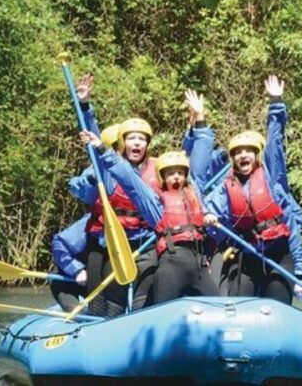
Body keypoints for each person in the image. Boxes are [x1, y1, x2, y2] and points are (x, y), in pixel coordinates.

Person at [82, 126, 220, 303]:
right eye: (170, 173)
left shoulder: (195, 191)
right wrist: (101, 147)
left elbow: (202, 155)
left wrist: (200, 121)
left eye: (180, 173)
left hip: (199, 264)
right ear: (162, 177)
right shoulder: (155, 204)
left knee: (217, 307)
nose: (176, 177)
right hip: (171, 265)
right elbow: (127, 177)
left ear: (186, 175)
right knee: (158, 306)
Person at [202, 76, 302, 304]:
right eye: (238, 153)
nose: (243, 155)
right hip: (249, 254)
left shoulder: (273, 177)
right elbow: (204, 209)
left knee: (276, 298)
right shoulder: (225, 188)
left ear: (256, 155)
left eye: (248, 151)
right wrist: (207, 217)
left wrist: (276, 102)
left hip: (280, 253)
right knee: (241, 301)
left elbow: (276, 142)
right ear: (233, 159)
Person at [49, 213, 91, 311]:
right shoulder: (91, 221)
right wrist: (77, 270)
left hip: (96, 281)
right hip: (66, 280)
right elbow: (59, 243)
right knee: (76, 313)